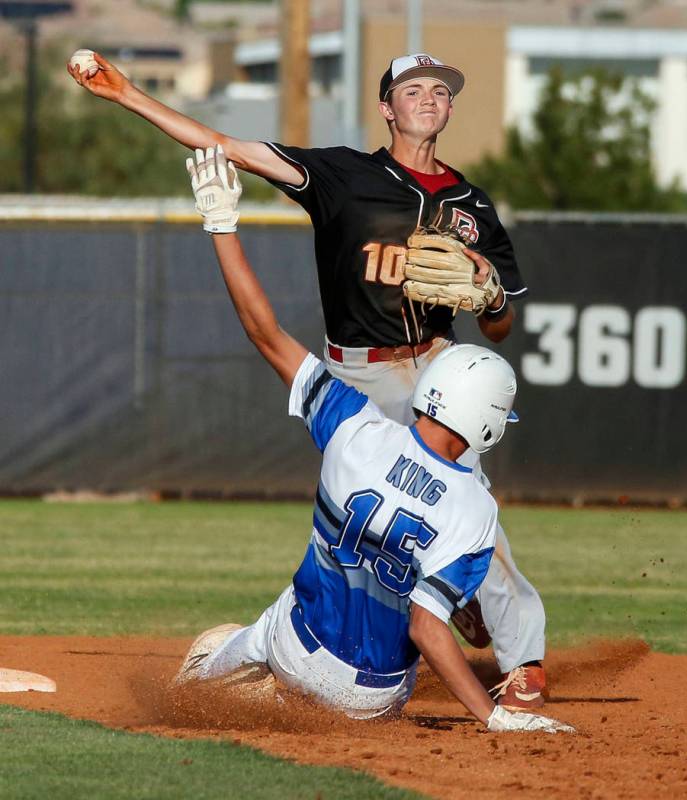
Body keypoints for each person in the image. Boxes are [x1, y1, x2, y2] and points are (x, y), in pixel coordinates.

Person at [69, 51, 546, 710]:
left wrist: (493, 298)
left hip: (439, 364)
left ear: (451, 108)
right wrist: (128, 95)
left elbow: (500, 329)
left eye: (441, 89)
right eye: (412, 89)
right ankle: (429, 602)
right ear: (387, 107)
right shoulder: (343, 174)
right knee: (387, 501)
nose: (428, 98)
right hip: (365, 368)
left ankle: (523, 659)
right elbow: (226, 146)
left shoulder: (473, 206)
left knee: (475, 512)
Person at [175, 145, 573, 735]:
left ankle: (211, 678)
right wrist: (492, 717)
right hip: (375, 700)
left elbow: (265, 332)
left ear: (427, 390)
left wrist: (221, 222)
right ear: (487, 428)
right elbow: (426, 629)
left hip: (296, 648)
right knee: (426, 596)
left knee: (244, 636)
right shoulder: (476, 511)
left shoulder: (354, 429)